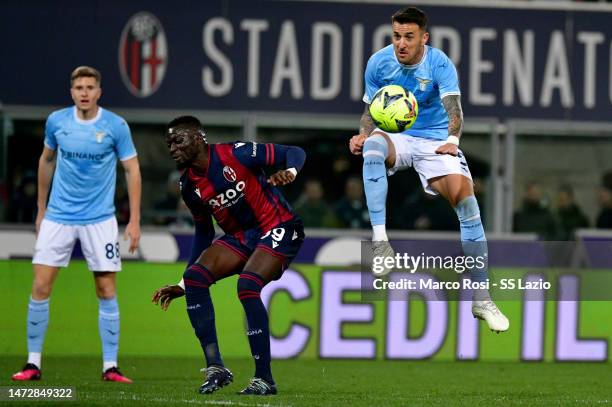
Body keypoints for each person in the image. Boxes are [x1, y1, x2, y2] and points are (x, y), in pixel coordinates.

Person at [348, 7, 508, 332]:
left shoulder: (439, 64)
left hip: (435, 141)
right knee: (373, 150)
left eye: (409, 37)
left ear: (424, 37)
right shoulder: (379, 63)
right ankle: (380, 242)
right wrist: (363, 135)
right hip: (397, 136)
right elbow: (370, 110)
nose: (401, 44)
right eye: (396, 36)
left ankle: (482, 297)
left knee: (467, 203)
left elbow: (455, 110)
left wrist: (452, 139)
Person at [152, 116, 305, 396]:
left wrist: (291, 172)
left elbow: (294, 153)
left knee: (247, 285)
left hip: (279, 225)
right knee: (196, 278)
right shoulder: (189, 187)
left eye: (179, 140)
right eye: (169, 144)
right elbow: (203, 234)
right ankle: (216, 368)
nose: (172, 148)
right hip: (241, 238)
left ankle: (264, 379)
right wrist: (184, 284)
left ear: (199, 137)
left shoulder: (237, 153)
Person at [11, 66, 141, 383]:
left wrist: (134, 219)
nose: (84, 92)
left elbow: (132, 170)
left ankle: (110, 366)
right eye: (79, 87)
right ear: (72, 92)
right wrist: (41, 209)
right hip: (59, 216)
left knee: (106, 288)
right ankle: (32, 364)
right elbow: (46, 160)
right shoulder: (57, 121)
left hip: (100, 219)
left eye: (90, 87)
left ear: (99, 92)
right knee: (41, 286)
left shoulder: (115, 126)